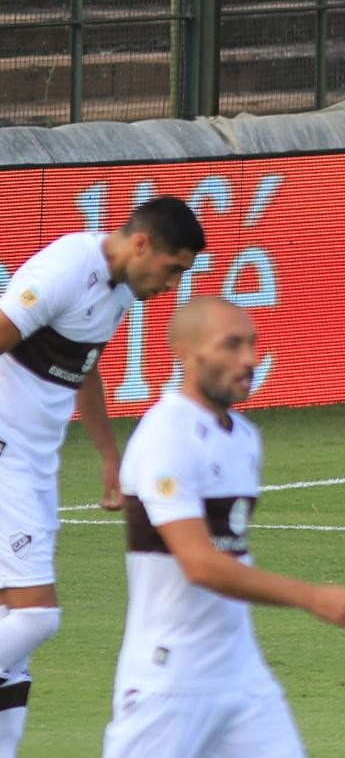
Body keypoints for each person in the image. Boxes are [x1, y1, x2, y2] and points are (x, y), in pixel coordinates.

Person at [103, 297, 345, 757]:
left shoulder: (244, 437)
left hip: (241, 676)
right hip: (169, 682)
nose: (249, 359)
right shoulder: (165, 435)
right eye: (231, 345)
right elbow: (201, 563)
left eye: (251, 344)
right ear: (186, 352)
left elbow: (228, 551)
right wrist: (310, 597)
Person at [0, 196, 203, 756]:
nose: (173, 285)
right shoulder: (67, 268)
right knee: (35, 615)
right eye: (173, 269)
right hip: (5, 456)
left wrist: (109, 457)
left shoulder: (116, 294)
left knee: (11, 638)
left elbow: (82, 371)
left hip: (36, 465)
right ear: (142, 245)